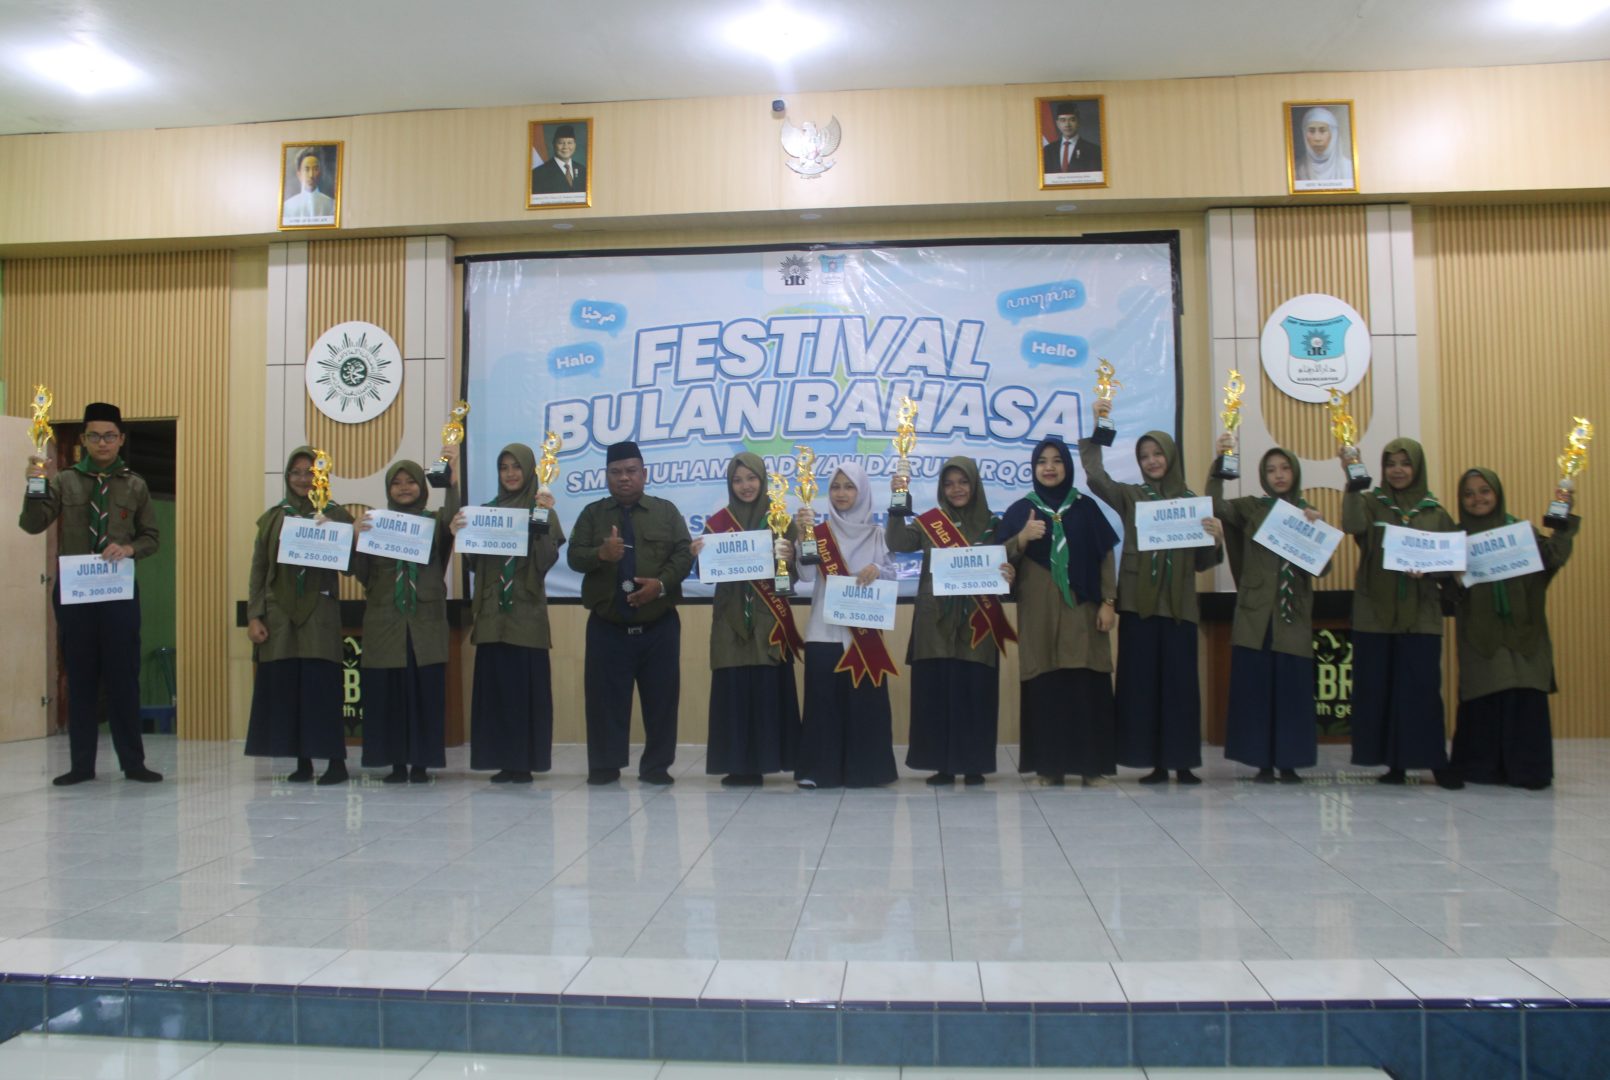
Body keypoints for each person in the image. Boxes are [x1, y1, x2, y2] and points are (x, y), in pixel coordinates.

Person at [20, 402, 161, 786]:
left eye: (109, 436)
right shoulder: (64, 481)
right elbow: (32, 524)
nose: (102, 443)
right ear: (84, 439)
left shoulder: (135, 485)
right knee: (80, 678)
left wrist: (129, 548)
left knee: (123, 678)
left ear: (121, 439)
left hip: (117, 593)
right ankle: (81, 766)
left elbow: (151, 537)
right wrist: (35, 482)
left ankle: (133, 763)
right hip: (76, 594)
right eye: (95, 436)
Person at [1081, 415, 1222, 785]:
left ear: (1171, 456)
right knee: (1142, 686)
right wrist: (1099, 430)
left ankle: (1183, 762)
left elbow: (1203, 563)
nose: (1152, 461)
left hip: (1179, 610)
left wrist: (1215, 538)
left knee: (1180, 687)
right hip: (1139, 607)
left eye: (1157, 454)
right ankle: (1153, 762)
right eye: (1144, 456)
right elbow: (1096, 478)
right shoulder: (1132, 497)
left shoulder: (1193, 504)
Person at [886, 456, 1017, 786]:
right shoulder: (932, 522)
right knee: (937, 693)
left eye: (963, 482)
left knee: (974, 692)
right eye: (948, 483)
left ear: (975, 484)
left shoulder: (994, 524)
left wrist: (1009, 572)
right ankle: (940, 766)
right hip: (935, 625)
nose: (956, 489)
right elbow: (898, 543)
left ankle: (974, 765)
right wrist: (898, 503)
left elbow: (1006, 563)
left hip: (978, 623)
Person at [567, 441, 692, 785]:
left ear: (644, 474)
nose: (624, 478)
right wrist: (600, 554)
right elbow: (574, 556)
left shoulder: (665, 512)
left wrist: (661, 585)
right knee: (604, 702)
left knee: (661, 701)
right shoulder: (592, 514)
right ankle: (605, 766)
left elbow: (684, 555)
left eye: (631, 471)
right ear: (606, 476)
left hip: (658, 627)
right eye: (616, 472)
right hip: (607, 627)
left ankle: (656, 767)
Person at [1341, 437, 1462, 789]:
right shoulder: (1370, 503)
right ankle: (1393, 763)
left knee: (1421, 691)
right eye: (1391, 464)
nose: (1397, 470)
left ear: (1417, 468)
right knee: (1379, 691)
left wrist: (1432, 569)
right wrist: (1352, 480)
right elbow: (1352, 526)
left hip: (1421, 616)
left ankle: (1433, 760)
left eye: (1405, 464)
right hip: (1375, 614)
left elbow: (1453, 564)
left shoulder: (1436, 513)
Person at [1449, 468, 1578, 790]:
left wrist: (1562, 520)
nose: (1477, 499)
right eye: (1469, 494)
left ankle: (1529, 770)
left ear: (1497, 493)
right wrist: (1454, 579)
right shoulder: (1454, 539)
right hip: (1481, 632)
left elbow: (1551, 559)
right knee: (1486, 692)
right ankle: (1482, 768)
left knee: (1525, 693)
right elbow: (1446, 597)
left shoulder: (1521, 532)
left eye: (1484, 491)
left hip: (1524, 630)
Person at [1001, 438, 1119, 786]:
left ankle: (1091, 768)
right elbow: (997, 560)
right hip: (1039, 615)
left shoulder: (1085, 508)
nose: (1049, 467)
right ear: (1033, 468)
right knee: (1046, 686)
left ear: (1067, 466)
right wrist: (1022, 538)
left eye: (1056, 460)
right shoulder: (1021, 511)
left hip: (1083, 613)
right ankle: (1049, 768)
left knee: (1085, 685)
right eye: (1042, 461)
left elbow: (1105, 555)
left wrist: (1109, 602)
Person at [1208, 442, 1326, 783]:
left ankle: (1289, 762)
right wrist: (1221, 464)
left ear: (1295, 473)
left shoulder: (1307, 513)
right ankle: (1260, 761)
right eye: (1272, 470)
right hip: (1256, 615)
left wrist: (1315, 531)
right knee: (1256, 687)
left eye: (1285, 468)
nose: (1279, 475)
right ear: (1263, 475)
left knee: (1291, 689)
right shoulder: (1251, 508)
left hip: (1291, 616)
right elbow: (1215, 503)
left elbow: (1324, 567)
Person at [245, 447, 354, 785]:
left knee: (321, 688)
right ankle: (302, 762)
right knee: (288, 688)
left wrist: (337, 530)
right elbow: (259, 570)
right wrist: (255, 616)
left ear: (322, 477)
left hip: (319, 613)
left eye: (311, 473)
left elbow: (353, 564)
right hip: (279, 616)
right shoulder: (273, 517)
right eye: (297, 472)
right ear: (287, 476)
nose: (303, 479)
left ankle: (335, 762)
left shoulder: (335, 513)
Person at [456, 443, 564, 783]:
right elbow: (475, 563)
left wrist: (541, 523)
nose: (510, 473)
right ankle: (501, 760)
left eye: (516, 466)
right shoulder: (487, 512)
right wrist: (462, 534)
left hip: (525, 617)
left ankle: (525, 763)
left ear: (530, 470)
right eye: (504, 467)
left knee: (524, 694)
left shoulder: (541, 510)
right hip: (492, 616)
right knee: (496, 694)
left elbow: (545, 561)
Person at [693, 452, 803, 787]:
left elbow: (792, 578)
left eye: (751, 478)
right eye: (738, 480)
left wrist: (790, 558)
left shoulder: (781, 520)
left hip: (769, 620)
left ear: (762, 479)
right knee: (734, 690)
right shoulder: (717, 524)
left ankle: (772, 759)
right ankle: (738, 766)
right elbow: (707, 576)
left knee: (768, 688)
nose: (745, 486)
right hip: (730, 620)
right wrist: (698, 557)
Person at [352, 453, 458, 783]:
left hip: (424, 623)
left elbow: (454, 516)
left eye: (411, 481)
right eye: (396, 483)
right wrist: (355, 539)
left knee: (424, 694)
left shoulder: (435, 523)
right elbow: (361, 573)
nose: (404, 488)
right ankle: (396, 764)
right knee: (390, 696)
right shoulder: (376, 523)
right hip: (386, 622)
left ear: (422, 487)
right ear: (388, 489)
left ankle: (421, 764)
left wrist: (451, 482)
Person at [793, 462, 899, 789]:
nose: (842, 493)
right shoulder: (818, 533)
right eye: (836, 486)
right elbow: (806, 576)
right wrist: (801, 537)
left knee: (865, 706)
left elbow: (892, 575)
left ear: (862, 491)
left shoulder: (877, 534)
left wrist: (877, 570)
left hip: (864, 636)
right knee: (822, 704)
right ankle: (818, 771)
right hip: (823, 632)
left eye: (849, 486)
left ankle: (867, 771)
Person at [1293, 106, 1351, 185]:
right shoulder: (1296, 169)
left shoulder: (1349, 168)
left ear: (1333, 134)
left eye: (1322, 131)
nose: (1317, 138)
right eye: (1311, 131)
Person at [1041, 100, 1102, 175]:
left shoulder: (1093, 151)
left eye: (1072, 120)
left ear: (1078, 122)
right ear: (1057, 123)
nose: (1067, 124)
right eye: (1063, 120)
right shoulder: (1048, 150)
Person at [531, 124, 587, 195]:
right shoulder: (539, 173)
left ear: (575, 145)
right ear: (554, 145)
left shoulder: (583, 171)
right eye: (561, 143)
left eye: (570, 143)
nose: (565, 147)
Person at [282, 148, 336, 221]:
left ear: (320, 173)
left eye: (315, 169)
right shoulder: (288, 206)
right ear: (299, 174)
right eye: (306, 169)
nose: (311, 175)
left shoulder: (331, 204)